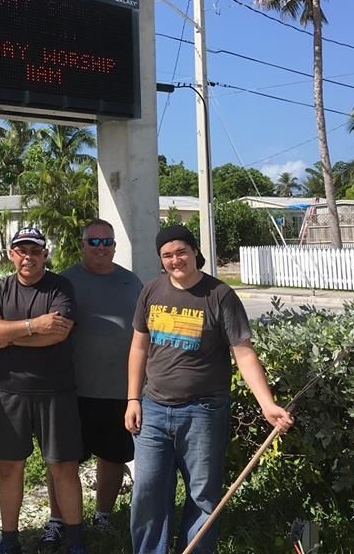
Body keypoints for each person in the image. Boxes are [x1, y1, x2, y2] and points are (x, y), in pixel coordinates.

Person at [125, 225, 293, 554]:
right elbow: (138, 348)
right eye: (167, 255)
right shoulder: (151, 291)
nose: (176, 260)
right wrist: (133, 398)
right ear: (161, 260)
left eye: (181, 252)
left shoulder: (219, 295)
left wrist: (267, 404)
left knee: (203, 495)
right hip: (153, 409)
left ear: (194, 252)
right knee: (147, 492)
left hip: (202, 411)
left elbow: (243, 352)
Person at [0, 226, 87, 554]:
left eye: (35, 251)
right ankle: (9, 540)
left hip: (56, 393)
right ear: (12, 255)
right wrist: (32, 326)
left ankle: (75, 541)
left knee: (64, 468)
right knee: (9, 467)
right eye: (21, 250)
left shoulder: (60, 287)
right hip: (9, 393)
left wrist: (8, 336)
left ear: (45, 254)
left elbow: (58, 334)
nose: (29, 257)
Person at [38, 218, 143, 551]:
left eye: (107, 242)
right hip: (72, 390)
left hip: (118, 390)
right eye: (94, 242)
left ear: (114, 245)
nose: (101, 248)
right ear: (82, 245)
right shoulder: (63, 282)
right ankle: (59, 521)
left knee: (113, 456)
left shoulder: (132, 282)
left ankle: (103, 516)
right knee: (63, 460)